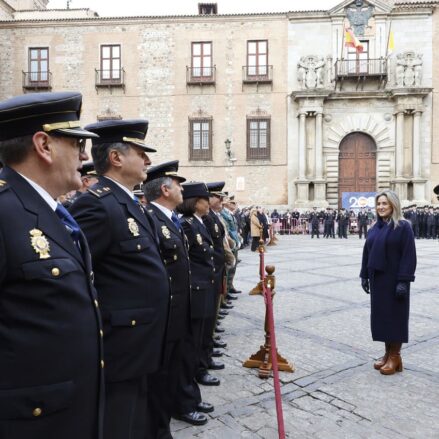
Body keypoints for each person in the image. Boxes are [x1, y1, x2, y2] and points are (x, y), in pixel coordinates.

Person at [0, 91, 104, 439]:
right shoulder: (4, 211)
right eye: (77, 144)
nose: (85, 155)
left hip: (67, 411)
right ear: (43, 145)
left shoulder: (53, 212)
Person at [69, 119, 170, 439]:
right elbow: (81, 276)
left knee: (136, 418)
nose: (148, 161)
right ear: (116, 157)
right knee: (119, 423)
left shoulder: (127, 201)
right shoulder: (96, 204)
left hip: (141, 342)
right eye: (142, 153)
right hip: (120, 345)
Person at [143, 161, 212, 434]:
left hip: (182, 306)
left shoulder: (168, 219)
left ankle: (181, 403)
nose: (182, 189)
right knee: (164, 374)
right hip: (166, 311)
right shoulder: (150, 217)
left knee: (181, 361)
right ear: (165, 189)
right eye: (178, 184)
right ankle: (172, 413)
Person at [360, 190, 416, 375]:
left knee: (396, 318)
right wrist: (364, 276)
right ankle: (386, 354)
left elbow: (409, 255)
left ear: (393, 205)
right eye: (379, 204)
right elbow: (366, 252)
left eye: (385, 203)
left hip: (395, 280)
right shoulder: (375, 228)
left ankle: (395, 356)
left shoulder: (403, 226)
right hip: (378, 280)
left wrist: (403, 281)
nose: (381, 207)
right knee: (382, 318)